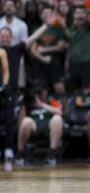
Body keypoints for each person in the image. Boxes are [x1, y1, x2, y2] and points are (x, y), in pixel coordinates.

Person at [0, 16, 54, 170]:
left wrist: (45, 26)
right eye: (1, 35)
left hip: (10, 91)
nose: (4, 38)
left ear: (11, 38)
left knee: (10, 121)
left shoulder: (16, 49)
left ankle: (9, 149)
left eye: (6, 35)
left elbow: (32, 39)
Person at [14, 80, 63, 166]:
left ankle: (52, 154)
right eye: (40, 91)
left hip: (49, 126)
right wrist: (23, 104)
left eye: (44, 90)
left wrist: (41, 104)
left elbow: (60, 112)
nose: (42, 93)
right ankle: (20, 152)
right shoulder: (29, 102)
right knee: (26, 121)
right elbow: (20, 123)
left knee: (57, 119)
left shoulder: (51, 101)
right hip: (34, 126)